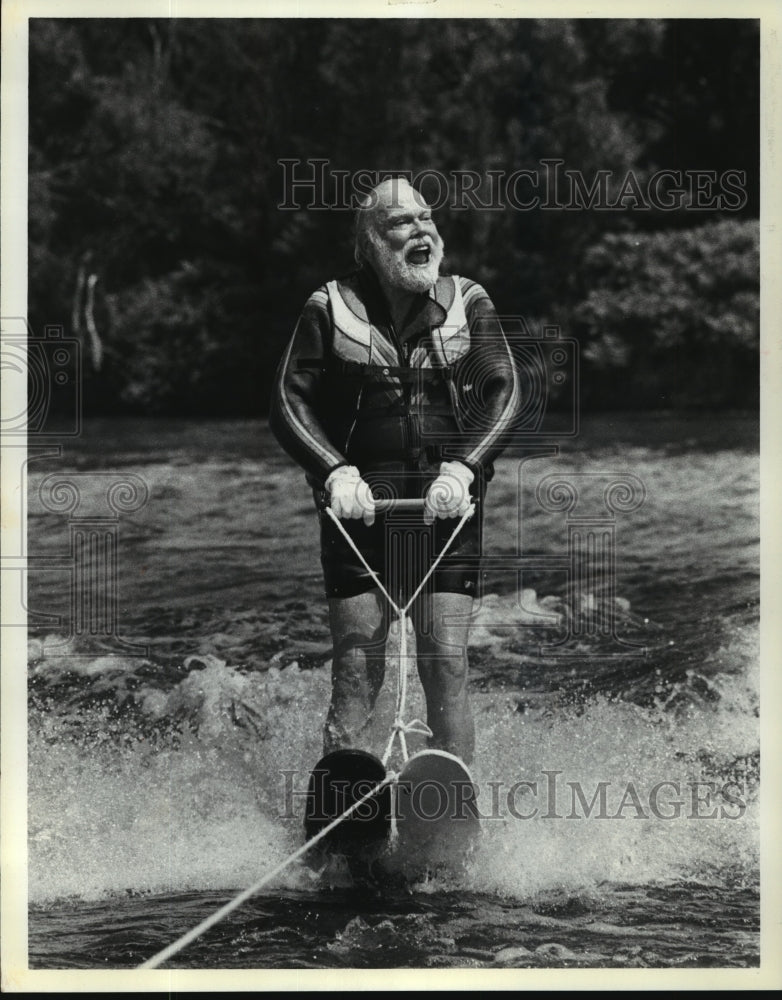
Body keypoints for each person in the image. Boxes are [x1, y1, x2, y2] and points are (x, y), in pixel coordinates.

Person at [270, 177, 520, 765]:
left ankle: (453, 800)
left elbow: (506, 391)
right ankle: (340, 801)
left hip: (447, 510)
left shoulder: (469, 302)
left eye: (427, 219)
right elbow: (288, 399)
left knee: (444, 662)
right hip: (358, 511)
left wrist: (464, 469)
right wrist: (335, 472)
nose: (422, 232)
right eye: (401, 224)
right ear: (369, 245)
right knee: (357, 666)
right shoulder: (328, 306)